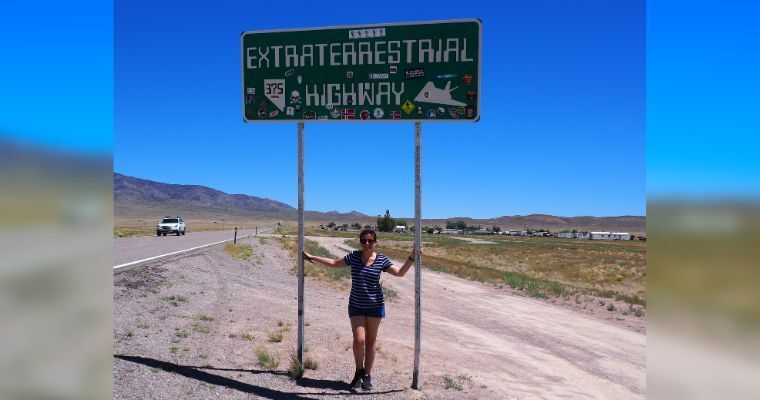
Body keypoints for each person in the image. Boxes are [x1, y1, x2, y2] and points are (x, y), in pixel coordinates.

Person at [302, 228, 420, 391]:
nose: (367, 244)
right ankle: (359, 371)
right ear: (360, 242)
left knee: (371, 342)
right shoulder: (354, 257)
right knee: (359, 340)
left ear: (375, 242)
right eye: (364, 241)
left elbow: (399, 273)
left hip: (375, 307)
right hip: (356, 305)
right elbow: (335, 263)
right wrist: (311, 257)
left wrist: (412, 256)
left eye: (370, 241)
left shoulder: (381, 260)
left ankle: (367, 376)